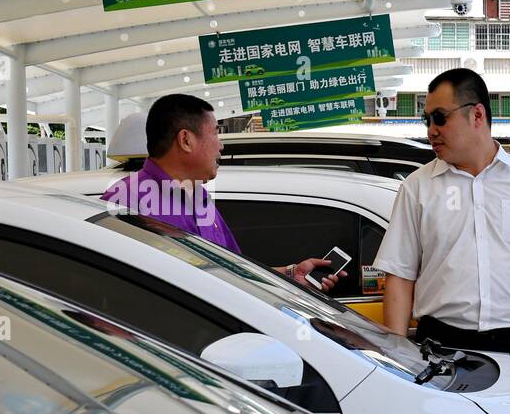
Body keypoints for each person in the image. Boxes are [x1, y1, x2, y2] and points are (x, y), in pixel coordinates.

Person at [374, 68, 510, 358]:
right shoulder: (417, 188)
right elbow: (400, 276)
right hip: (440, 347)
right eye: (427, 120)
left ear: (477, 115)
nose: (431, 130)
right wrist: (396, 357)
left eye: (440, 118)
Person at [100, 96, 343, 291]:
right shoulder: (126, 202)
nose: (221, 145)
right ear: (185, 140)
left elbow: (233, 271)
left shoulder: (199, 197)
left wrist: (290, 274)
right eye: (215, 133)